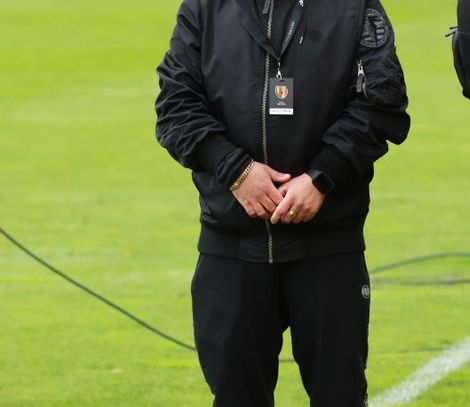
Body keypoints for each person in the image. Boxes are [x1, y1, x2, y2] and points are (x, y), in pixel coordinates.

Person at [155, 0, 410, 405]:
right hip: (232, 248)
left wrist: (322, 177)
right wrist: (235, 170)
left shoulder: (354, 7)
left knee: (340, 397)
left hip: (328, 247)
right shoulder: (204, 7)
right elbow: (175, 105)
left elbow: (382, 103)